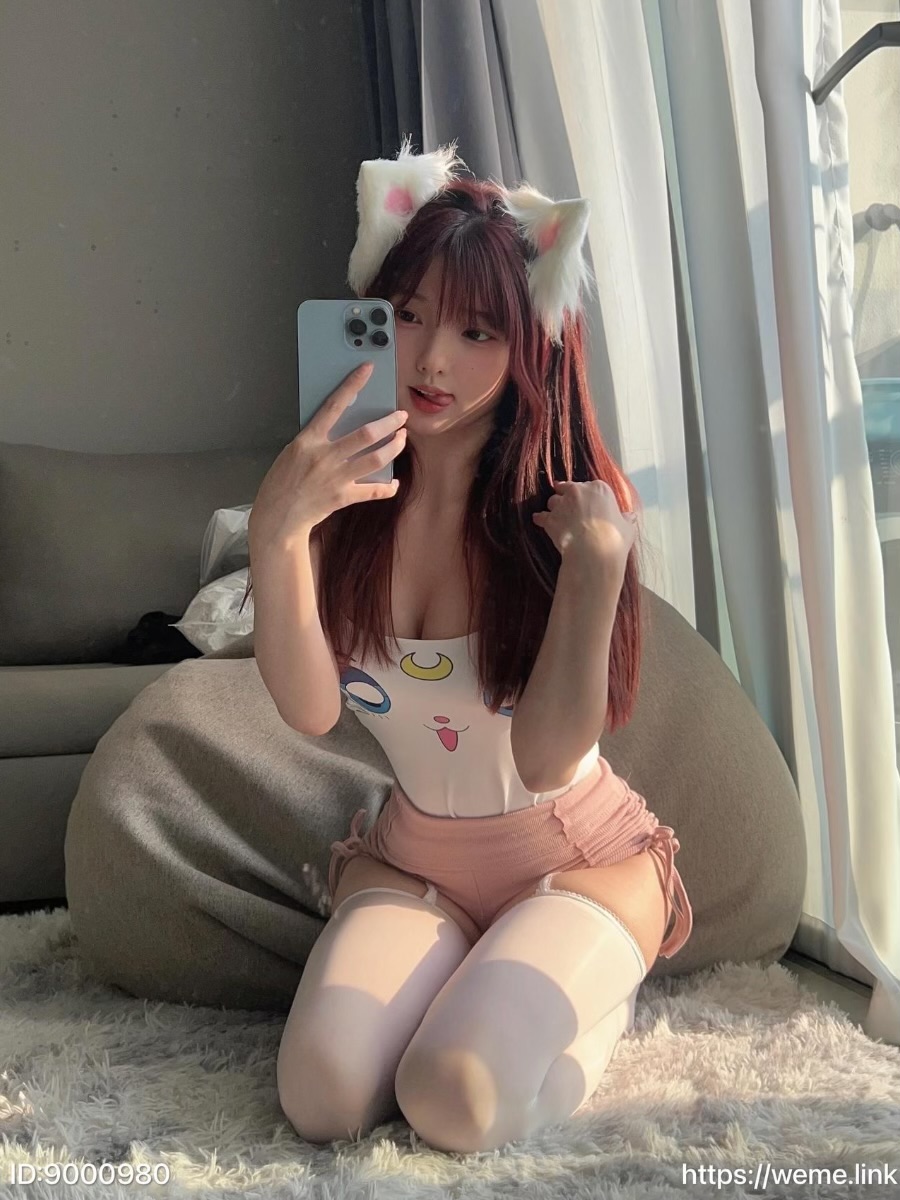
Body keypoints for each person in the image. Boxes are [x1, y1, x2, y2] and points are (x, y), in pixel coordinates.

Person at [245, 136, 693, 1154]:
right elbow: (311, 709)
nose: (431, 360)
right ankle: (474, 986)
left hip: (574, 862)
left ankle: (590, 1000)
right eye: (407, 316)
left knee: (449, 1096)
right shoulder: (341, 510)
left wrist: (597, 574)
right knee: (321, 1096)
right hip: (417, 864)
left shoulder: (564, 526)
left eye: (478, 330)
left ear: (534, 345)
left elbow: (544, 758)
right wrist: (278, 533)